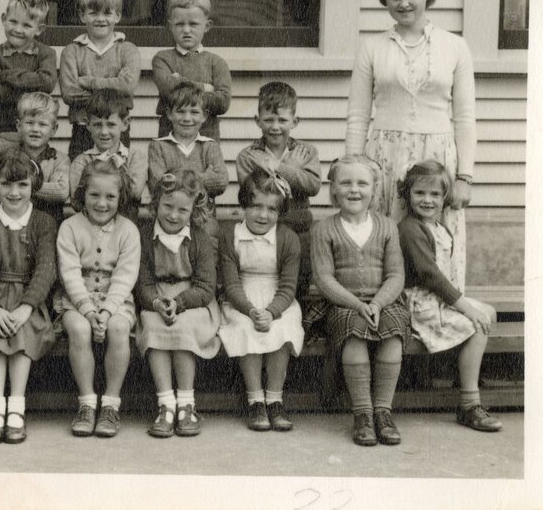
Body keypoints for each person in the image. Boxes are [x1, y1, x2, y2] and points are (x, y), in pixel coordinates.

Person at [345, 0, 476, 292]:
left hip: (437, 155)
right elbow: (359, 115)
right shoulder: (372, 47)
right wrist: (353, 168)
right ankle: (389, 313)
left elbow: (464, 117)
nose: (403, 3)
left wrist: (464, 177)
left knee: (434, 237)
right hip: (384, 156)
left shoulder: (455, 46)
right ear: (384, 0)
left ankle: (442, 313)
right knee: (386, 236)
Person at [397, 160, 501, 432]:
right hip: (420, 302)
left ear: (445, 198)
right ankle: (469, 403)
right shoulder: (410, 228)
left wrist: (466, 305)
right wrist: (465, 307)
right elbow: (430, 276)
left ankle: (465, 374)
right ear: (407, 194)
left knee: (488, 312)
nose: (427, 200)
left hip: (437, 297)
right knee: (475, 324)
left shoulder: (438, 226)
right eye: (419, 193)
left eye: (435, 194)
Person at [310, 155, 407, 447]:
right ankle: (362, 413)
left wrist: (377, 303)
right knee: (353, 333)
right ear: (334, 190)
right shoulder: (324, 229)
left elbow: (396, 274)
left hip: (384, 302)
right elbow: (324, 278)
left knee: (393, 333)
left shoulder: (388, 226)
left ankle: (383, 412)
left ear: (374, 189)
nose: (354, 190)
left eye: (362, 183)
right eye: (346, 183)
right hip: (342, 304)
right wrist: (357, 304)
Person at [0, 150, 58, 445]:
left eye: (22, 185)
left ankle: (16, 407)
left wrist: (26, 307)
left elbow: (46, 268)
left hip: (28, 299)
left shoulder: (43, 222)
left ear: (33, 184)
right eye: (7, 184)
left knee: (22, 331)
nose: (14, 192)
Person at [55, 160, 141, 438]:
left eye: (110, 197)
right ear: (82, 194)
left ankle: (111, 405)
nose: (101, 203)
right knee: (79, 330)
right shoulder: (69, 227)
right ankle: (87, 403)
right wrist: (89, 311)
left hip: (116, 300)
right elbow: (69, 274)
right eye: (94, 195)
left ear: (121, 198)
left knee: (118, 328)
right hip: (75, 300)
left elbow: (125, 277)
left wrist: (105, 312)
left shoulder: (128, 230)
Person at [136, 170, 220, 438]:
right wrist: (156, 302)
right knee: (153, 324)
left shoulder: (200, 239)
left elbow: (206, 288)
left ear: (193, 210)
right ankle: (165, 404)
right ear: (156, 203)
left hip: (192, 300)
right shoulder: (144, 236)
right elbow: (142, 283)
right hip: (156, 298)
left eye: (182, 210)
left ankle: (186, 403)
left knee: (182, 328)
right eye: (167, 206)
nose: (173, 215)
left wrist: (180, 301)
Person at [218, 170, 304, 432]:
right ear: (244, 204)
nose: (263, 215)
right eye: (256, 206)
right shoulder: (230, 235)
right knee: (245, 328)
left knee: (283, 329)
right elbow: (231, 284)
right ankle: (255, 399)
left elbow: (288, 286)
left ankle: (275, 399)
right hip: (242, 298)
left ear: (280, 212)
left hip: (278, 298)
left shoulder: (288, 239)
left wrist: (272, 312)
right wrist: (252, 311)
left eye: (271, 209)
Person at [236, 81, 321, 302]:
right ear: (258, 121)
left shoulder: (306, 151)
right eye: (268, 120)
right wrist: (291, 174)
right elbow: (249, 194)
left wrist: (280, 168)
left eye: (282, 120)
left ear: (295, 121)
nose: (275, 126)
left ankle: (299, 317)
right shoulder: (248, 156)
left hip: (298, 225)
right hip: (262, 228)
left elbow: (312, 186)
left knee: (300, 276)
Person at [58, 0, 141, 159]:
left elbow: (127, 86)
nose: (101, 19)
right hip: (82, 129)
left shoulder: (128, 50)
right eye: (93, 13)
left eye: (107, 13)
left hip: (116, 129)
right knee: (81, 179)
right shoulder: (72, 51)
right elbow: (69, 93)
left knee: (117, 178)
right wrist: (113, 95)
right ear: (82, 15)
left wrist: (89, 82)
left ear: (117, 16)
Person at [148, 82, 228, 237]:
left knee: (210, 243)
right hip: (169, 218)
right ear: (169, 114)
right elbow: (157, 184)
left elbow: (221, 181)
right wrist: (202, 178)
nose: (187, 118)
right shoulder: (159, 146)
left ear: (204, 116)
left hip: (204, 219)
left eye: (194, 112)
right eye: (180, 111)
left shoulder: (209, 146)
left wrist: (176, 179)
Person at [151, 0, 231, 139]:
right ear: (170, 26)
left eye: (193, 24)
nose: (186, 30)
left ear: (206, 26)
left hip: (206, 141)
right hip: (170, 140)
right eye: (180, 24)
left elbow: (222, 102)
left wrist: (180, 83)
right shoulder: (162, 59)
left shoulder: (216, 62)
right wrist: (204, 87)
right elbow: (168, 90)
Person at [0, 0, 57, 138]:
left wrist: (9, 76)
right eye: (13, 22)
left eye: (27, 25)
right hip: (3, 126)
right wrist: (32, 87)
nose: (18, 29)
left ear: (39, 29)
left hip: (37, 128)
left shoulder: (46, 53)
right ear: (4, 19)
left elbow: (47, 82)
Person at [0, 92, 70, 224]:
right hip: (14, 222)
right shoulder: (10, 156)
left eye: (42, 124)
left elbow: (61, 192)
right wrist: (46, 188)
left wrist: (16, 185)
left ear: (54, 129)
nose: (35, 129)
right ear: (19, 126)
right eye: (30, 123)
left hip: (49, 224)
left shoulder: (60, 159)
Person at [69, 89, 147, 224]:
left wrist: (114, 163)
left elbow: (135, 192)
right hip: (89, 228)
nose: (104, 132)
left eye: (111, 125)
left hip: (125, 228)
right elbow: (76, 201)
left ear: (125, 124)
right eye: (97, 125)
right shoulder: (82, 161)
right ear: (88, 125)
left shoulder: (134, 157)